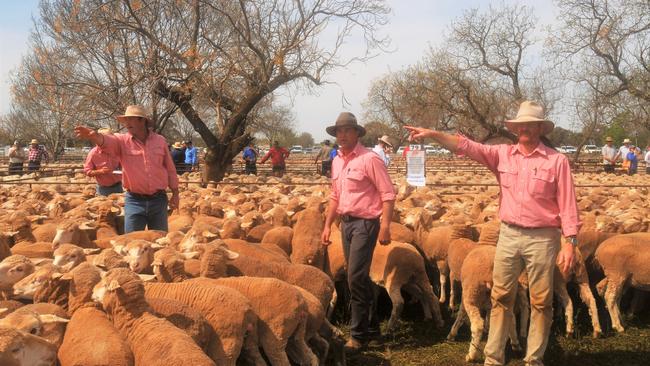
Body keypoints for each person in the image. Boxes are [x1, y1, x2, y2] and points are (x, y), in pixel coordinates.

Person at [405, 101, 580, 366]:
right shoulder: (503, 155)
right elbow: (466, 146)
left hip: (543, 237)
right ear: (515, 129)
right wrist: (433, 134)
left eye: (530, 125)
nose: (525, 130)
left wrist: (570, 242)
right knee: (501, 295)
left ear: (540, 128)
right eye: (521, 125)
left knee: (541, 301)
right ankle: (494, 357)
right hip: (508, 234)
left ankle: (534, 358)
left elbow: (568, 203)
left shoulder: (557, 162)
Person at [321, 112, 396, 353]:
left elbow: (388, 194)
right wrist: (327, 225)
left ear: (356, 133)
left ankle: (357, 335)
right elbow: (335, 196)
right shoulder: (337, 161)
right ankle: (373, 330)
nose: (342, 135)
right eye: (338, 131)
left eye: (346, 131)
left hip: (366, 223)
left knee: (354, 277)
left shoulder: (370, 159)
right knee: (360, 278)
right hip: (346, 224)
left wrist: (385, 225)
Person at [74, 104, 179, 233]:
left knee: (160, 239)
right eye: (125, 120)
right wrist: (94, 136)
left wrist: (175, 193)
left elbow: (170, 168)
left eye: (130, 119)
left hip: (158, 200)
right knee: (130, 241)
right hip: (134, 200)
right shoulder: (121, 141)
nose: (126, 123)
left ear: (142, 120)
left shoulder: (160, 141)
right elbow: (107, 141)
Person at [83, 128, 123, 196]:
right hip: (103, 190)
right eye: (106, 138)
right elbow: (87, 171)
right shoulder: (93, 153)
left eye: (110, 138)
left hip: (118, 187)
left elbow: (122, 166)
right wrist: (100, 171)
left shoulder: (117, 151)